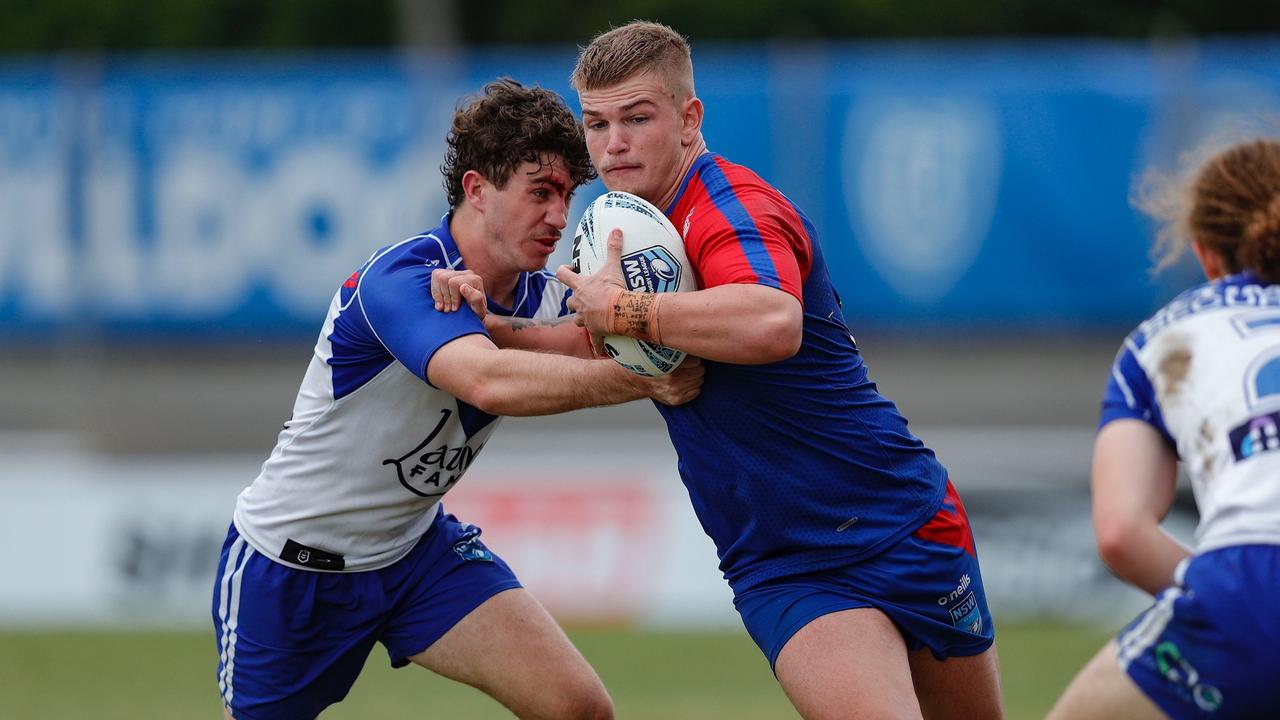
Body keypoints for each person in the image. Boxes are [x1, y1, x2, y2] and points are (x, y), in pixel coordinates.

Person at [437, 21, 1004, 720]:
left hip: (902, 518)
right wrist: (485, 328)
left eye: (637, 119)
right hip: (783, 561)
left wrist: (626, 310)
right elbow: (603, 345)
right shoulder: (625, 223)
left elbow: (772, 322)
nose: (613, 144)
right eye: (596, 123)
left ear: (688, 117)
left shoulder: (731, 205)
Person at [210, 78, 703, 720]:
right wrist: (646, 377)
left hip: (416, 555)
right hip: (293, 567)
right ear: (477, 190)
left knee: (579, 708)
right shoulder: (401, 280)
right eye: (541, 192)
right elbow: (488, 380)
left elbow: (593, 347)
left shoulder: (544, 292)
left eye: (566, 196)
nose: (560, 216)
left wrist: (633, 318)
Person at [1048, 139, 1280, 719]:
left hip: (1252, 582)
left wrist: (1220, 598)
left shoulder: (1164, 339)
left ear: (1205, 254)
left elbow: (1121, 533)